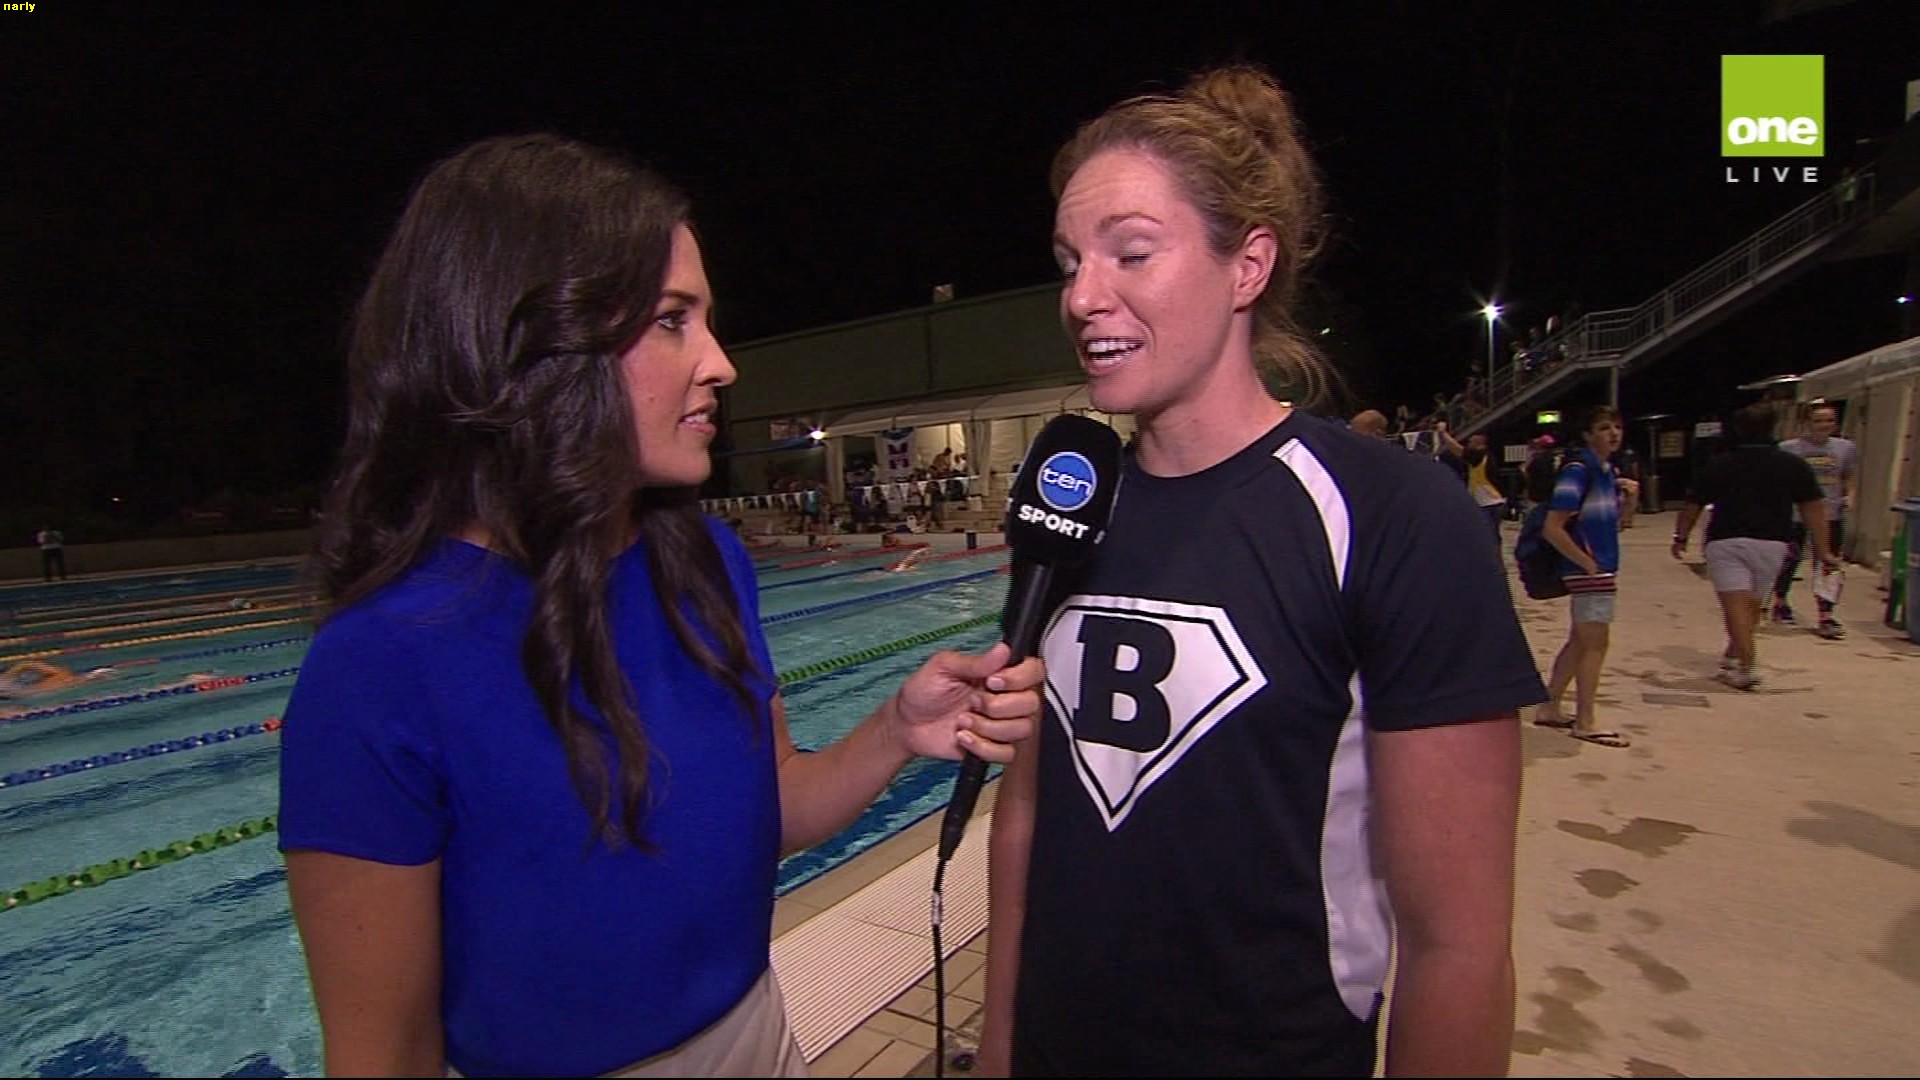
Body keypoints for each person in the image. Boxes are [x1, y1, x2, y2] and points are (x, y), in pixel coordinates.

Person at [275, 135, 1043, 1079]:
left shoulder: (706, 563)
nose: (721, 364)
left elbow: (770, 812)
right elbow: (383, 1052)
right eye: (674, 319)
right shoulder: (380, 663)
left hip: (762, 1038)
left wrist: (894, 729)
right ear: (533, 343)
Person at [980, 64, 1544, 1077]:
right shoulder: (1068, 504)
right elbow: (1027, 808)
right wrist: (1001, 1044)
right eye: (1069, 261)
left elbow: (1457, 946)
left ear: (1246, 267)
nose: (1082, 297)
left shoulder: (1394, 517)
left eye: (1130, 253)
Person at [1669, 402, 1833, 690]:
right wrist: (1823, 550)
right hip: (1772, 544)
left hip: (1726, 542)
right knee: (1752, 606)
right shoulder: (1792, 465)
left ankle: (1746, 665)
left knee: (1736, 607)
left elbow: (1693, 504)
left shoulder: (1720, 464)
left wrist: (1681, 537)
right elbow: (1814, 509)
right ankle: (1735, 655)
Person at [1531, 405, 1630, 748]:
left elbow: (1615, 524)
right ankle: (1585, 721)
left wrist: (1630, 499)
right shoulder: (1579, 470)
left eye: (1617, 427)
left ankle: (1550, 705)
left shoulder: (1606, 471)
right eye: (1604, 427)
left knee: (1580, 641)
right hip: (1590, 571)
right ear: (1588, 435)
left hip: (1599, 567)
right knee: (1595, 644)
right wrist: (1586, 563)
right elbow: (1553, 527)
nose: (1613, 433)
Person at [1769, 402, 1857, 638]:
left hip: (1830, 513)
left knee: (1829, 563)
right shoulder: (1788, 448)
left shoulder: (1845, 447)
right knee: (1790, 558)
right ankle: (1780, 601)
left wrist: (1850, 496)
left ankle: (1826, 614)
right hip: (1795, 514)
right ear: (1806, 423)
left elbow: (1848, 475)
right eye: (1818, 420)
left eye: (1829, 420)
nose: (1824, 425)